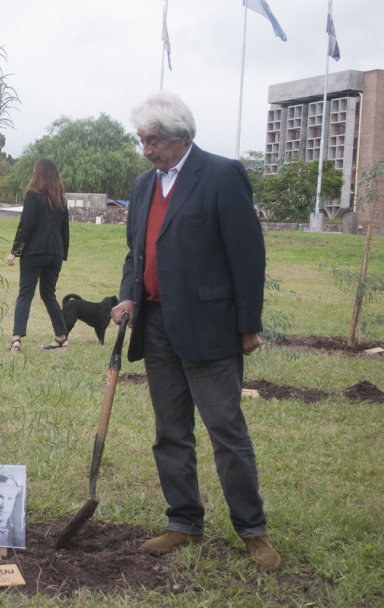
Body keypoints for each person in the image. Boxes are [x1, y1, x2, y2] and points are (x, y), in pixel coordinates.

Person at [110, 91, 280, 572]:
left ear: (181, 136)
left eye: (154, 139)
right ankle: (184, 522)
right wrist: (127, 294)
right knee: (170, 433)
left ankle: (253, 529)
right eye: (142, 139)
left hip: (210, 329)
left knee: (226, 431)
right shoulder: (144, 185)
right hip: (156, 324)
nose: (146, 148)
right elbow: (135, 254)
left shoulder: (223, 175)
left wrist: (248, 325)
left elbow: (248, 256)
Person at [5, 158, 70, 352]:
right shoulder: (61, 200)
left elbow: (26, 225)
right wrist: (62, 253)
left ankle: (17, 339)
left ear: (38, 173)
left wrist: (14, 252)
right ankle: (61, 337)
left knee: (25, 293)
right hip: (55, 254)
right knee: (49, 294)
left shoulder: (32, 195)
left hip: (34, 252)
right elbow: (65, 230)